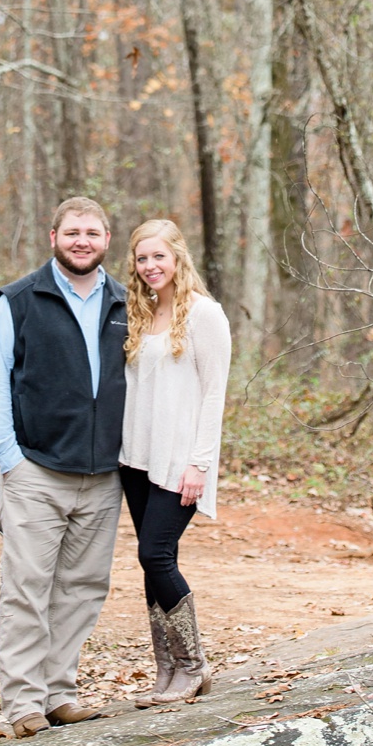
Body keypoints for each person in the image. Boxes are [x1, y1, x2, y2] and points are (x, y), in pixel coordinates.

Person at [0, 196, 128, 737]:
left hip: (104, 475)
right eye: (72, 233)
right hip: (35, 470)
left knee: (83, 588)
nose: (82, 241)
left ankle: (60, 692)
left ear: (107, 240)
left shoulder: (126, 304)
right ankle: (22, 703)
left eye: (92, 232)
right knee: (27, 588)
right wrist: (8, 458)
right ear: (53, 237)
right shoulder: (18, 301)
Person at [120, 218, 231, 706]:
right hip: (136, 458)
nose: (150, 267)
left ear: (178, 257)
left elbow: (213, 394)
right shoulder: (139, 314)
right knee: (154, 561)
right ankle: (167, 671)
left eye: (158, 257)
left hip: (180, 458)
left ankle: (193, 665)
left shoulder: (205, 314)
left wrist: (200, 464)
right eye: (142, 258)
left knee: (155, 554)